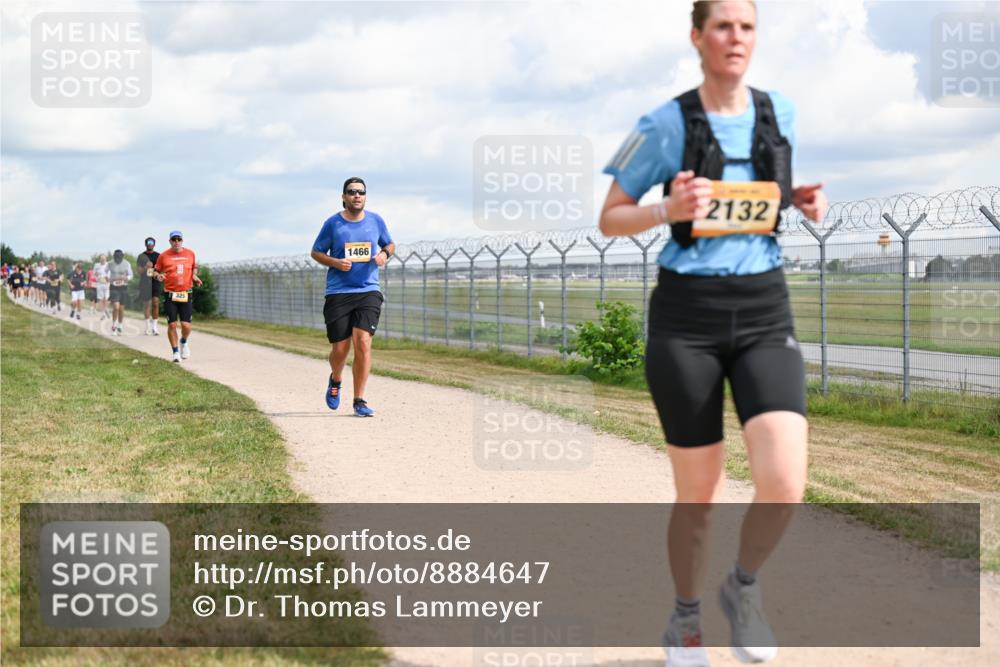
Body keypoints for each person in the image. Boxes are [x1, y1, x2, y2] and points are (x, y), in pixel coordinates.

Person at [598, 2, 828, 665]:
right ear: (697, 37)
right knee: (698, 492)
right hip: (687, 318)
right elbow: (610, 217)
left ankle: (743, 587)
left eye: (747, 26)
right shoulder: (662, 124)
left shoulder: (779, 110)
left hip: (764, 309)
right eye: (723, 26)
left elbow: (761, 192)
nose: (736, 38)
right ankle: (686, 620)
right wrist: (666, 208)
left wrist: (799, 198)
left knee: (785, 481)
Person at [309, 177, 395, 417]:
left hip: (368, 290)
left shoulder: (376, 221)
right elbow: (316, 252)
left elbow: (390, 244)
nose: (357, 195)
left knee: (363, 341)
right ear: (343, 197)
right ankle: (336, 379)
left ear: (365, 197)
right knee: (340, 349)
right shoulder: (333, 224)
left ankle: (359, 400)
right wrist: (335, 262)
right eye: (352, 191)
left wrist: (384, 254)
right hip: (338, 293)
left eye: (361, 192)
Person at [153, 230, 201, 362]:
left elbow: (194, 268)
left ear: (182, 240)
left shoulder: (190, 253)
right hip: (170, 294)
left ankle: (183, 341)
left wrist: (194, 276)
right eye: (174, 239)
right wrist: (158, 276)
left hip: (186, 293)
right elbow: (153, 271)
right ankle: (175, 352)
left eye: (179, 239)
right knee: (172, 325)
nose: (176, 242)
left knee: (186, 325)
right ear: (170, 241)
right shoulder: (163, 256)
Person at [136, 237, 161, 335]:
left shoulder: (158, 256)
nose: (150, 244)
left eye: (152, 242)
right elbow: (139, 271)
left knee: (155, 303)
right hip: (145, 282)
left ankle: (154, 327)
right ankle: (147, 327)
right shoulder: (141, 256)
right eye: (148, 242)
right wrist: (146, 267)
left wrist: (156, 272)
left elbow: (161, 269)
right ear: (145, 244)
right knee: (147, 304)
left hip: (155, 282)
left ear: (154, 244)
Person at [108, 250, 133, 335]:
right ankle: (114, 326)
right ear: (114, 257)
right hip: (113, 287)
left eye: (119, 258)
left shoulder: (127, 263)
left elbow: (131, 275)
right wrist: (107, 278)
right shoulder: (110, 263)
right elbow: (105, 272)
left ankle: (120, 325)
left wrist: (126, 278)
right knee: (116, 307)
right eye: (116, 258)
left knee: (121, 309)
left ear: (122, 257)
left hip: (123, 287)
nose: (117, 260)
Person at [93, 255, 111, 319]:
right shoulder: (96, 265)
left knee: (106, 298)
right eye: (101, 259)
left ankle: (105, 309)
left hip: (106, 283)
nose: (102, 260)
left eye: (104, 259)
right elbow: (94, 273)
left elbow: (111, 273)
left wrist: (109, 278)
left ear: (106, 259)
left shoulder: (109, 265)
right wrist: (96, 274)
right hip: (99, 283)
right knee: (101, 299)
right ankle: (103, 313)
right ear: (100, 259)